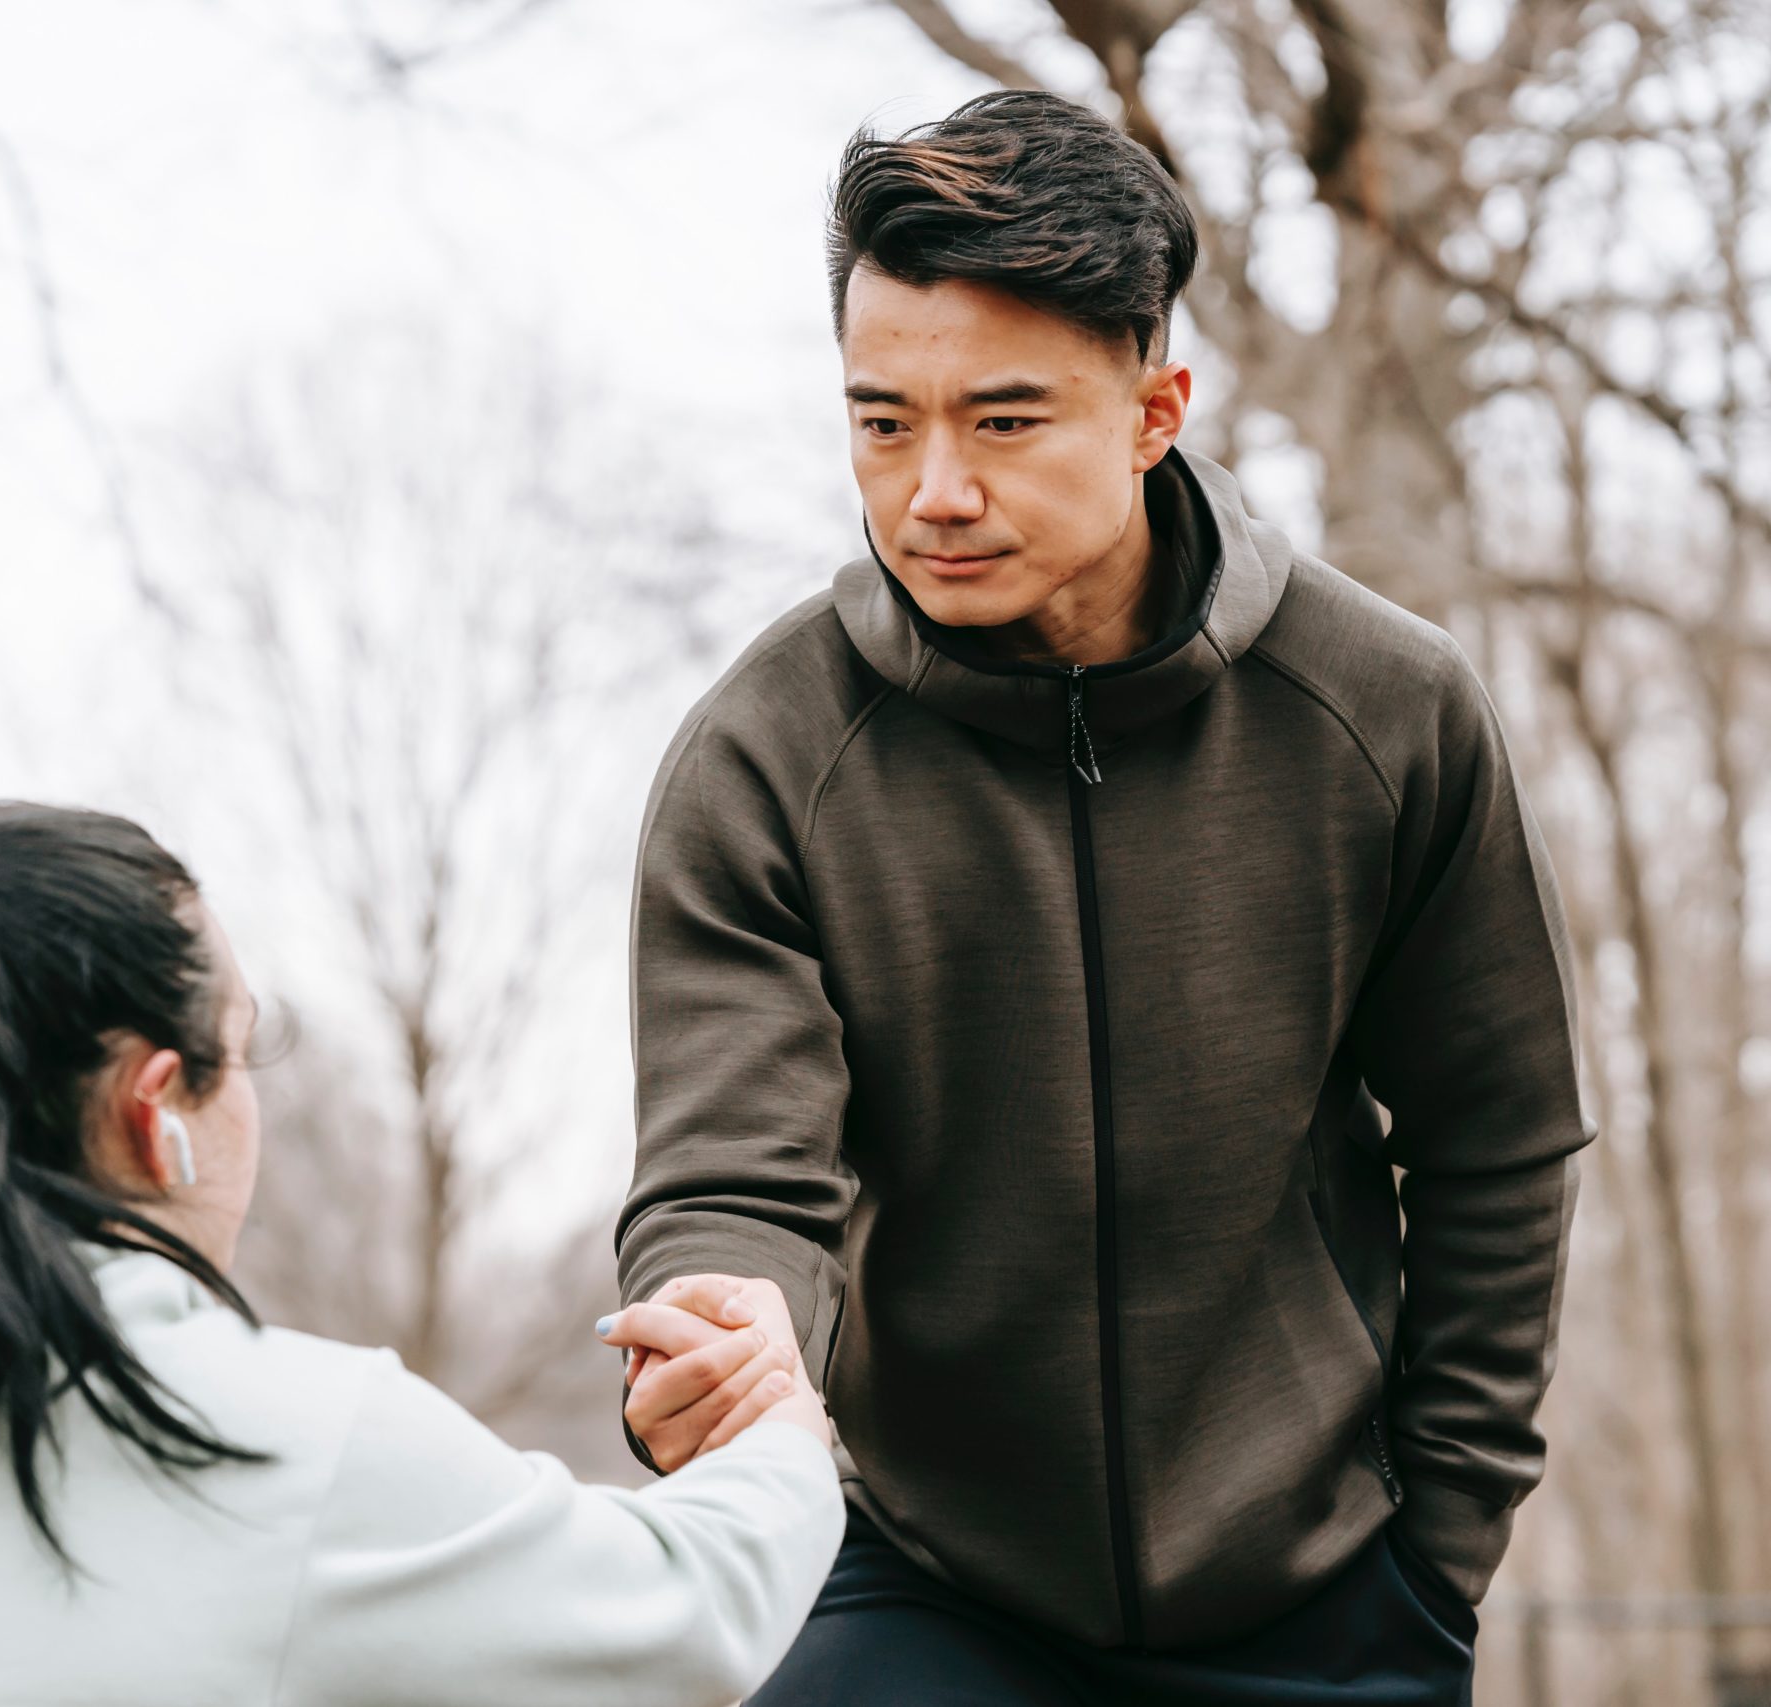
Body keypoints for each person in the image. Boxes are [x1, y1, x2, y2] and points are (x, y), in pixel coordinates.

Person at [612, 91, 1591, 1705]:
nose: (931, 490)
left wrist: (1441, 1552)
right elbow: (734, 1173)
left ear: (1155, 412)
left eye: (1003, 422)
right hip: (930, 1582)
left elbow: (1500, 1143)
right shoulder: (767, 755)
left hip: (1331, 1593)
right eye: (881, 422)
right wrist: (722, 1332)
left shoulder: (1389, 709)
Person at [0, 804, 842, 1707]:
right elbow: (692, 1619)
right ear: (159, 1113)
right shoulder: (268, 1446)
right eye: (244, 1050)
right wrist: (778, 1422)